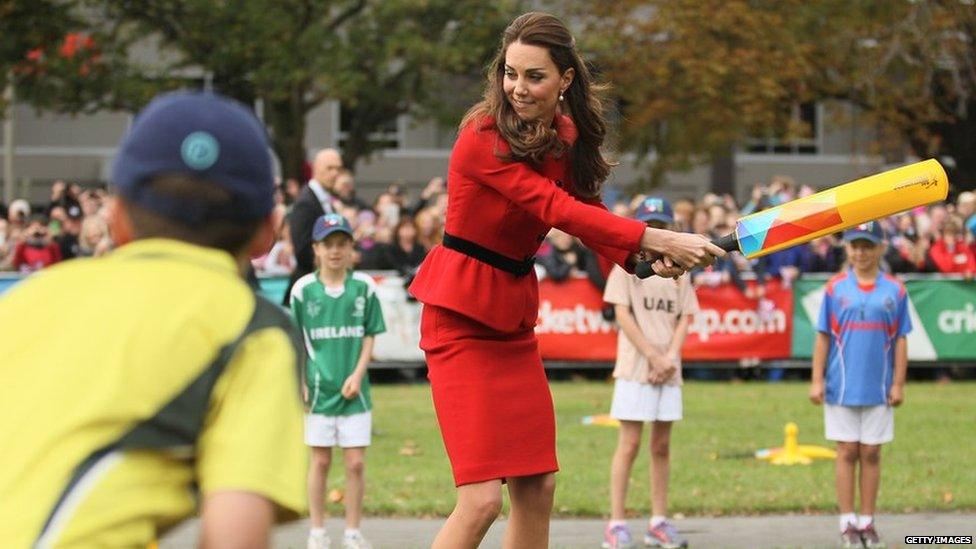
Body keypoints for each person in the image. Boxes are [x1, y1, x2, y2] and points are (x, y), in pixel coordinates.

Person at [407, 12, 723, 549]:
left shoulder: (567, 133)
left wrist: (642, 261)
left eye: (534, 76)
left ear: (565, 80)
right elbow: (553, 207)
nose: (517, 88)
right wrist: (657, 237)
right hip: (459, 317)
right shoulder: (480, 136)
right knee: (482, 499)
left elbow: (585, 206)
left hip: (510, 321)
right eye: (510, 73)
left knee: (538, 485)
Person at [0, 91, 307, 547]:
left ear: (116, 214)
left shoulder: (27, 299)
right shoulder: (250, 329)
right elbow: (234, 534)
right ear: (268, 228)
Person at [601, 197, 697, 549]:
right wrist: (652, 356)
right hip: (635, 368)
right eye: (650, 223)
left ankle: (658, 520)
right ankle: (617, 522)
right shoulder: (627, 268)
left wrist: (669, 357)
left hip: (667, 370)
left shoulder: (679, 272)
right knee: (629, 443)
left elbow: (685, 316)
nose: (657, 229)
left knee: (661, 445)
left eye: (662, 223)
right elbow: (623, 315)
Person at [809, 221, 910, 549]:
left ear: (881, 248)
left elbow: (900, 340)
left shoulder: (895, 290)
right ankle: (847, 521)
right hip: (841, 385)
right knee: (847, 450)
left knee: (871, 452)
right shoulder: (835, 288)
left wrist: (898, 383)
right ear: (847, 249)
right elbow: (823, 336)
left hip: (879, 387)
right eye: (855, 246)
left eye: (868, 246)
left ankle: (867, 520)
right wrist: (816, 380)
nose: (861, 252)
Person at [290, 213, 386, 549]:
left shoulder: (364, 288)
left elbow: (370, 336)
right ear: (315, 249)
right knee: (320, 460)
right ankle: (317, 530)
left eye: (341, 244)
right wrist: (301, 379)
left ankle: (352, 531)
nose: (334, 251)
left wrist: (358, 375)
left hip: (354, 391)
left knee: (356, 462)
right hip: (318, 389)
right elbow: (297, 340)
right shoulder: (303, 290)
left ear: (351, 249)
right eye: (327, 244)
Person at [285, 148, 344, 305]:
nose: (335, 173)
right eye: (330, 168)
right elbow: (302, 251)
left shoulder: (325, 200)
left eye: (338, 168)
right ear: (316, 169)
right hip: (308, 291)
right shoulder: (306, 202)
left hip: (322, 287)